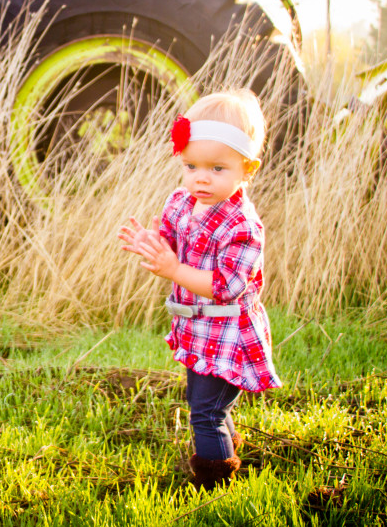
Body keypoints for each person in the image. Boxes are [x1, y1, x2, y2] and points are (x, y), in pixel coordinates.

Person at [118, 89, 281, 491]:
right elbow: (171, 240)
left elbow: (225, 287)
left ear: (248, 169)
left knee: (204, 412)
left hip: (229, 333)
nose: (201, 177)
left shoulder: (243, 227)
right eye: (191, 165)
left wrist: (173, 269)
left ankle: (215, 482)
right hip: (199, 331)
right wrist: (152, 244)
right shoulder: (182, 201)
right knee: (206, 403)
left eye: (217, 168)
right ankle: (222, 447)